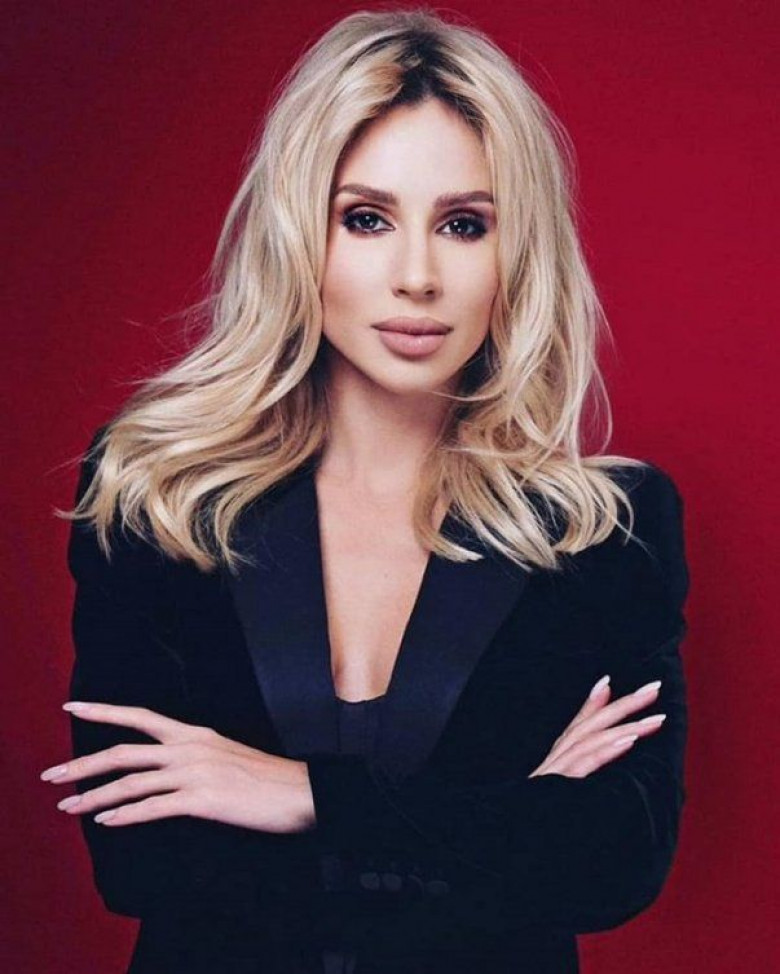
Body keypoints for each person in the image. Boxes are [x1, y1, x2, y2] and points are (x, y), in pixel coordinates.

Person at [41, 8, 690, 974]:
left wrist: (302, 796)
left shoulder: (602, 529)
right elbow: (146, 866)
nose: (417, 276)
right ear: (299, 233)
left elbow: (609, 864)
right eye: (367, 218)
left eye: (464, 225)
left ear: (518, 252)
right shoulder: (162, 493)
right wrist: (501, 821)